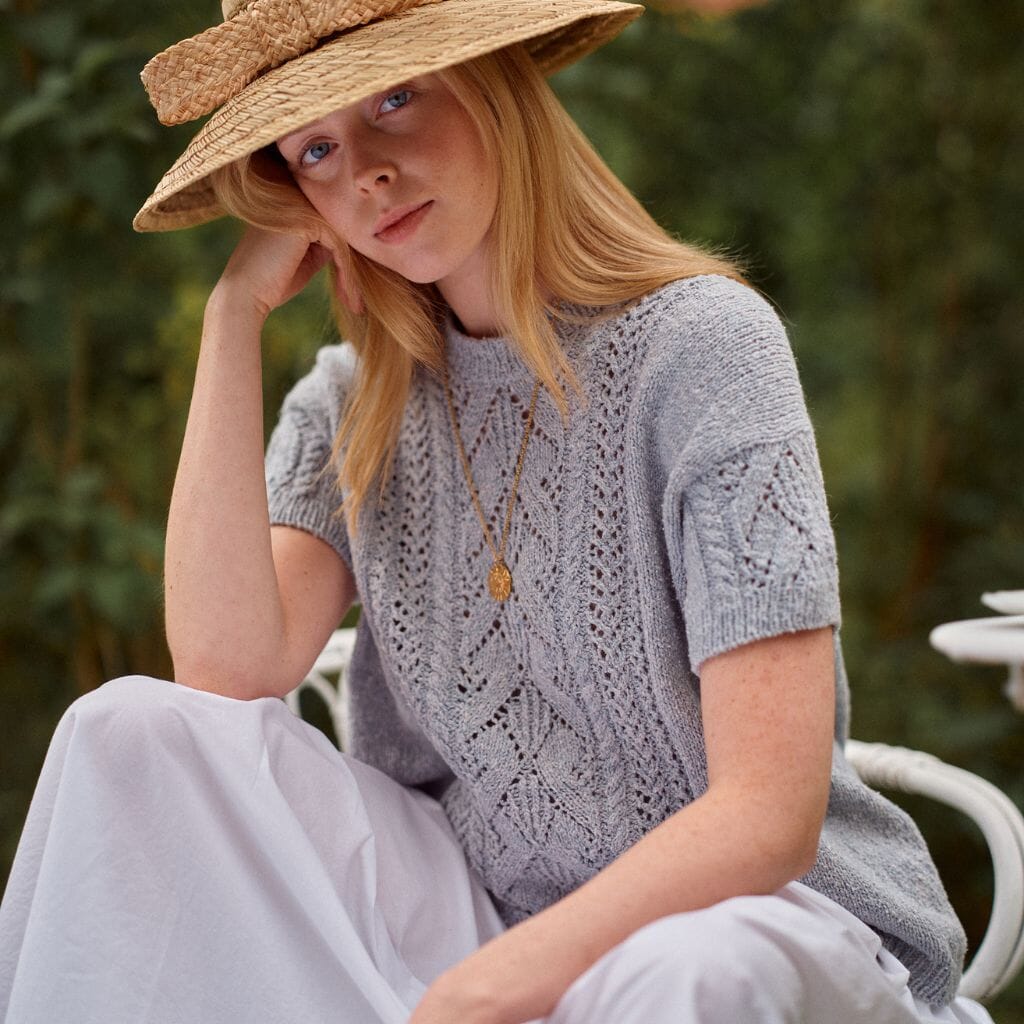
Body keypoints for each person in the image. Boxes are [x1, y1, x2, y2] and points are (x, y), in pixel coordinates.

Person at [0, 2, 996, 1022]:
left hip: (758, 915)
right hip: (482, 903)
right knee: (122, 730)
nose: (364, 174)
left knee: (690, 972)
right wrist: (232, 317)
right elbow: (224, 671)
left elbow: (769, 813)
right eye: (314, 148)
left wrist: (485, 988)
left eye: (394, 97)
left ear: (491, 81)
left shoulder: (704, 350)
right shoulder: (350, 403)